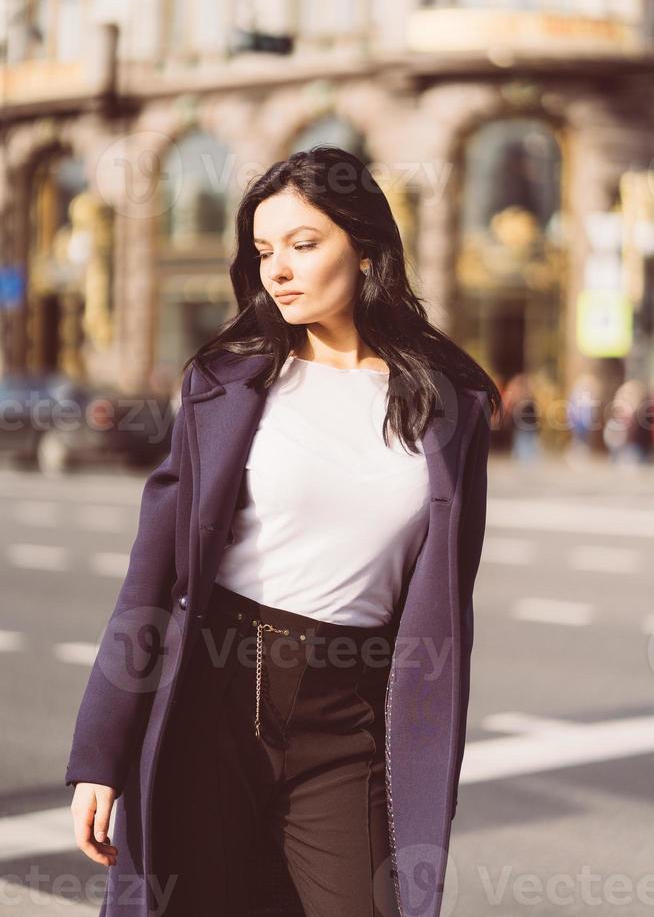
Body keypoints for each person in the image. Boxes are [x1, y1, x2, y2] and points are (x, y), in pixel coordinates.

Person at [66, 146, 500, 917]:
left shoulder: (452, 403)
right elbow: (152, 577)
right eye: (265, 251)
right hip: (211, 697)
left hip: (348, 719)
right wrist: (101, 751)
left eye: (304, 245)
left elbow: (447, 603)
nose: (279, 270)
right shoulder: (227, 381)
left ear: (365, 249)